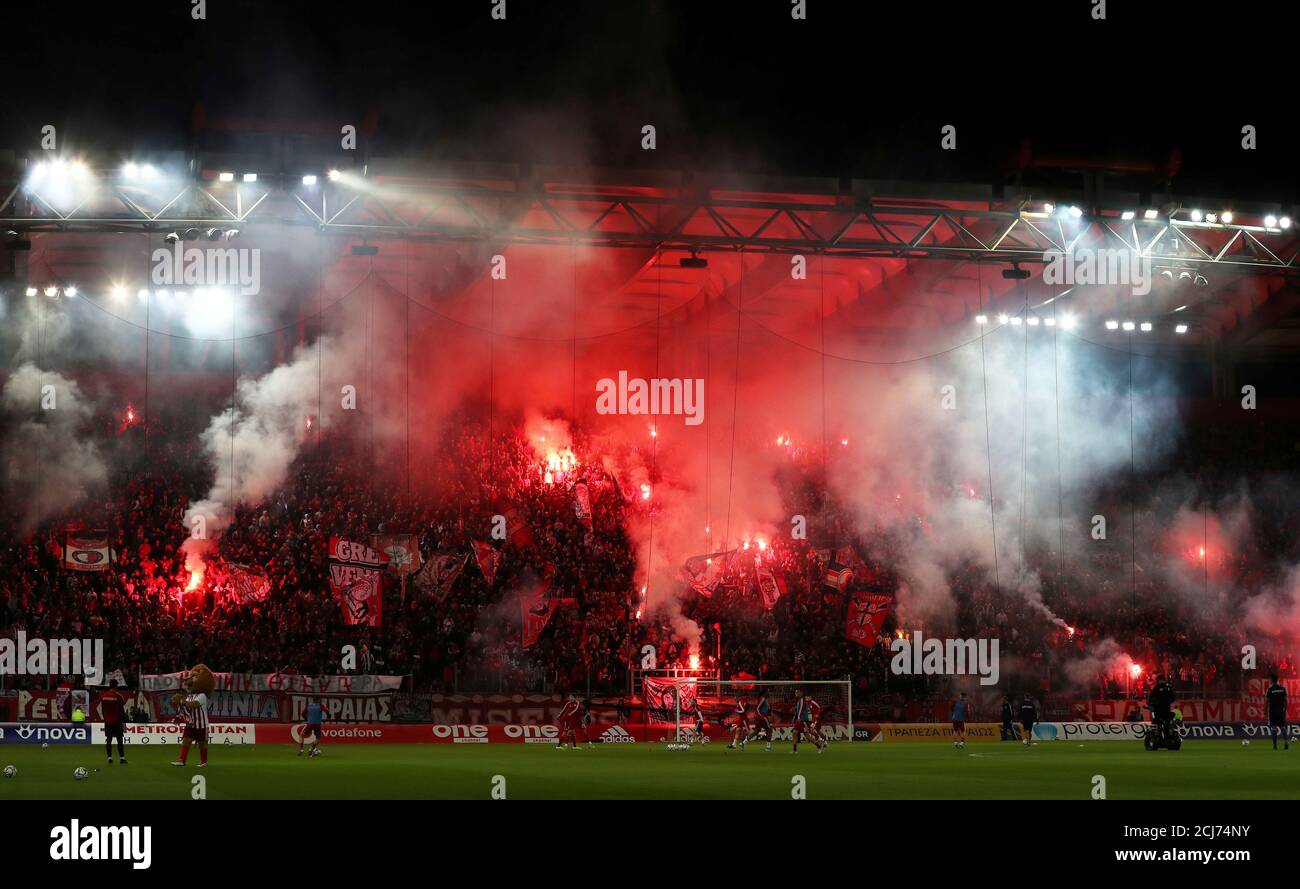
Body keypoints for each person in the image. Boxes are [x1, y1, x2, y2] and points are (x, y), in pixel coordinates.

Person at [99, 679, 128, 765]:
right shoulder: (118, 696)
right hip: (117, 721)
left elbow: (103, 709)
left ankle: (109, 758)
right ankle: (122, 758)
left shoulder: (103, 696)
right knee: (119, 740)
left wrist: (105, 718)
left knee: (108, 740)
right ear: (116, 686)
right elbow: (121, 710)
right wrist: (124, 723)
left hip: (108, 721)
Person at [790, 689, 825, 754]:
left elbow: (801, 710)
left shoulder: (802, 700)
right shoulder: (799, 701)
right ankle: (794, 750)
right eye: (795, 692)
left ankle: (819, 746)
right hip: (800, 721)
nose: (795, 694)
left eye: (797, 692)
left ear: (800, 693)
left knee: (807, 737)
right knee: (795, 733)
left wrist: (799, 717)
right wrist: (794, 718)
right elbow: (798, 711)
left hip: (803, 721)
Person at [1267, 673, 1289, 751]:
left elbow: (1267, 702)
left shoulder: (1270, 689)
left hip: (1273, 712)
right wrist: (1285, 711)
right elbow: (1286, 701)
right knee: (1283, 727)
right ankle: (1286, 742)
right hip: (1280, 711)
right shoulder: (1282, 689)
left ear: (1272, 680)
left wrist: (1265, 711)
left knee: (1273, 728)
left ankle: (1275, 746)